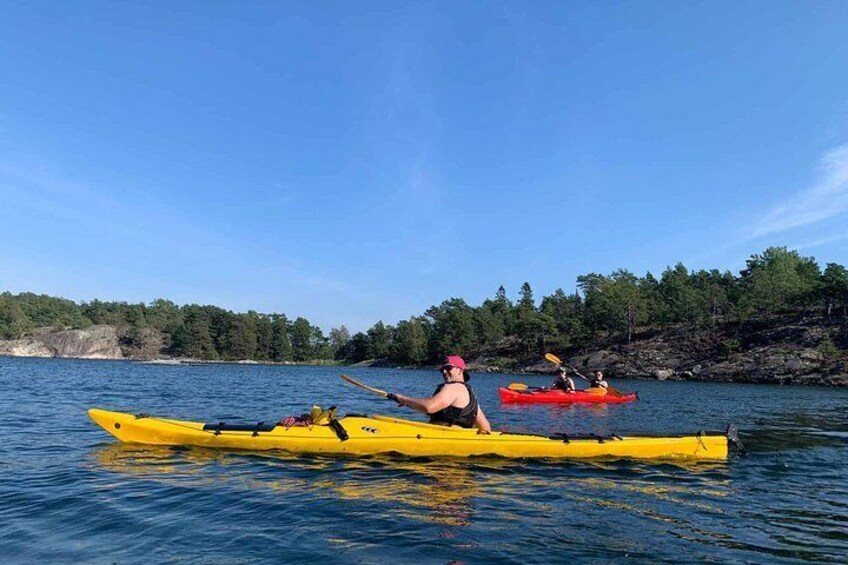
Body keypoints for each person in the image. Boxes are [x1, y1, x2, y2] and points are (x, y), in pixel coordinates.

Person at [390, 355, 492, 434]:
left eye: (448, 368)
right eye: (442, 369)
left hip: (442, 438)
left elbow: (429, 407)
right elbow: (485, 427)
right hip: (455, 442)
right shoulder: (470, 394)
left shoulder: (453, 387)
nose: (444, 371)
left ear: (460, 370)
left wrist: (404, 399)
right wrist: (410, 404)